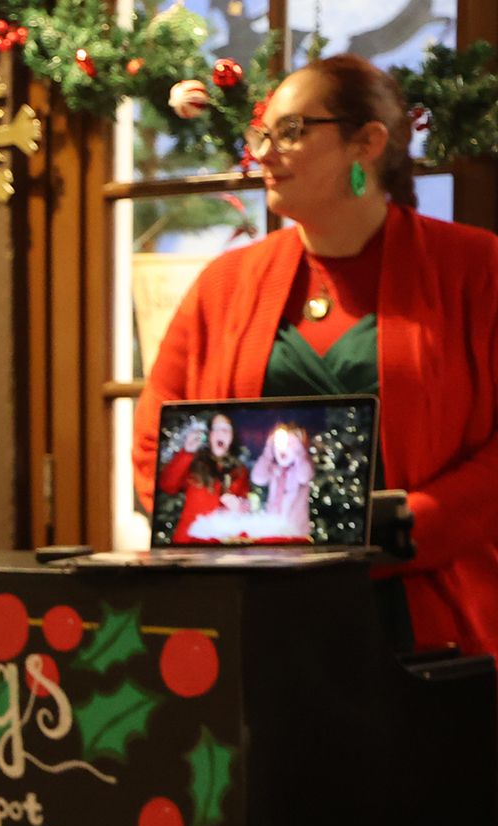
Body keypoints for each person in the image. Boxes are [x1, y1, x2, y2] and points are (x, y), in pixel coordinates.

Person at [135, 54, 498, 655]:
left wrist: (412, 526)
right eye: (261, 134)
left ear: (367, 143)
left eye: (291, 132)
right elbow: (155, 442)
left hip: (428, 616)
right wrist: (225, 528)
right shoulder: (224, 284)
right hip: (255, 617)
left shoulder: (476, 268)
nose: (263, 153)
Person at [157, 412, 250, 543]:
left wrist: (239, 507)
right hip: (190, 546)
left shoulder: (240, 472)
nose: (221, 432)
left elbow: (245, 507)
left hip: (222, 547)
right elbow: (167, 485)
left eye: (226, 429)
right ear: (209, 435)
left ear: (232, 437)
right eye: (216, 428)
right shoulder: (194, 463)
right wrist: (187, 452)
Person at [251, 421, 316, 539]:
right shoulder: (274, 469)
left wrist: (298, 450)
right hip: (272, 529)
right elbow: (258, 478)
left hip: (296, 532)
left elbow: (304, 477)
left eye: (291, 443)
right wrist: (268, 451)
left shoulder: (302, 466)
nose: (284, 449)